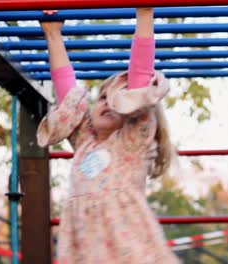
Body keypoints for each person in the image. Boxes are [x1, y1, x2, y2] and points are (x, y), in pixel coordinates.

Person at [37, 7, 179, 264]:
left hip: (131, 253)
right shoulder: (84, 142)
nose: (109, 103)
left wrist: (144, 14)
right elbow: (68, 96)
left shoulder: (132, 141)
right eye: (102, 97)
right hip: (88, 254)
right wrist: (53, 35)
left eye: (117, 99)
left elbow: (139, 83)